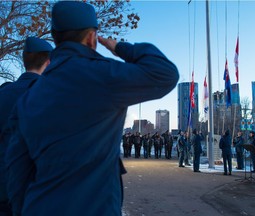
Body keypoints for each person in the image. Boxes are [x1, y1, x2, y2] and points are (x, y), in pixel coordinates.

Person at [4, 1, 179, 216]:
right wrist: (120, 47)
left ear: (56, 38)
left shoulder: (28, 97)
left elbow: (17, 168)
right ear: (91, 38)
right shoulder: (104, 77)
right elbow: (165, 74)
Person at [0, 37, 52, 216]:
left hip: (4, 188)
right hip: (38, 190)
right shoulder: (52, 97)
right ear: (48, 62)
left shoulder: (4, 94)